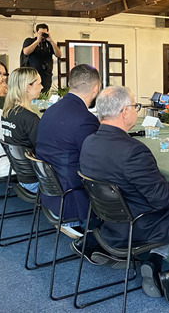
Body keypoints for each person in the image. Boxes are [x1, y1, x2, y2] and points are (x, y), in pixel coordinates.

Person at [79, 86, 169, 304]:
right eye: (135, 106)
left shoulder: (88, 142)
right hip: (139, 225)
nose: (136, 111)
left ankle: (156, 259)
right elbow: (163, 199)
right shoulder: (133, 151)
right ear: (125, 111)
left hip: (110, 223)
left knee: (164, 205)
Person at [36, 64, 101, 239]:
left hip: (51, 194)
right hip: (72, 201)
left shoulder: (50, 111)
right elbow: (98, 161)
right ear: (96, 88)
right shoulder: (85, 119)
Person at [21, 23, 61, 93]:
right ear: (36, 33)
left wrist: (51, 40)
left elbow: (59, 54)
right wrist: (37, 41)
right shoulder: (30, 41)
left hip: (46, 75)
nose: (43, 35)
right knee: (31, 93)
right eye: (41, 33)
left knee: (44, 95)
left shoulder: (49, 44)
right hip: (32, 75)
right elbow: (26, 52)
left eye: (44, 33)